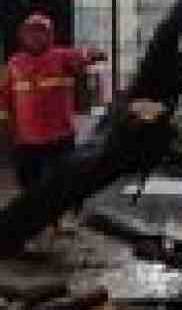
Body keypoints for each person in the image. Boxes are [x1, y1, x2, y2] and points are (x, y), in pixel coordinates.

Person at [0, 12, 107, 220]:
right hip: (26, 139)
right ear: (23, 36)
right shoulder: (13, 64)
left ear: (50, 35)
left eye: (41, 32)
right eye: (31, 33)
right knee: (28, 183)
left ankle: (66, 218)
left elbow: (88, 55)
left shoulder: (63, 56)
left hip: (60, 136)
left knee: (64, 181)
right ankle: (35, 218)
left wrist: (94, 54)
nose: (36, 37)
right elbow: (4, 97)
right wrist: (6, 129)